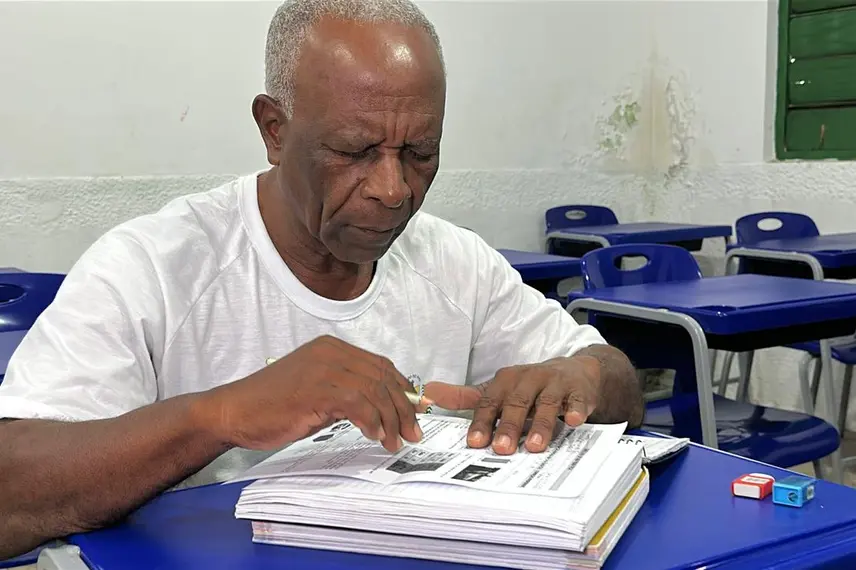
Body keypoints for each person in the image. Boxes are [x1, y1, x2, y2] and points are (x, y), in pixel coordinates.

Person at [0, 0, 643, 559]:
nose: (393, 191)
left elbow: (617, 380)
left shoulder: (455, 264)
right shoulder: (153, 270)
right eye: (354, 151)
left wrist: (580, 378)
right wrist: (220, 415)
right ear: (274, 130)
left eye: (420, 154)